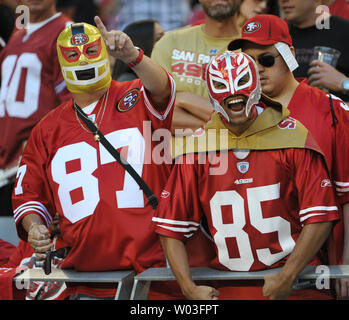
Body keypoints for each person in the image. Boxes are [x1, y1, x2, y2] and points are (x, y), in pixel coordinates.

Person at [10, 16, 178, 299]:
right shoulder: (47, 128)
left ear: (107, 56)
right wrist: (35, 227)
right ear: (61, 63)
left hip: (155, 272)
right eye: (73, 55)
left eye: (90, 51)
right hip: (85, 278)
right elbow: (28, 195)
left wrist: (133, 56)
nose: (83, 61)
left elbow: (163, 88)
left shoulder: (136, 94)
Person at [152, 51, 339, 300]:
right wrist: (188, 287)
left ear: (256, 86)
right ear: (210, 92)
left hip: (298, 284)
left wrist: (288, 276)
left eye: (240, 85)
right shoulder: (197, 149)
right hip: (228, 286)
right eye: (222, 88)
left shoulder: (293, 137)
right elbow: (170, 227)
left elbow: (320, 215)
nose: (233, 96)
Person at [228, 14, 349, 299]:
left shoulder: (331, 111)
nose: (257, 69)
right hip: (254, 274)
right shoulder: (235, 115)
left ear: (290, 55)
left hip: (318, 272)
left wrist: (345, 264)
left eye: (267, 59)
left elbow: (347, 196)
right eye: (248, 62)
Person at [0, 0, 72, 217]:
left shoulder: (66, 32)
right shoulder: (18, 30)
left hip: (36, 162)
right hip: (7, 161)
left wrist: (43, 149)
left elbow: (75, 103)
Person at [151, 0, 242, 134]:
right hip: (172, 153)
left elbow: (242, 117)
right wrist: (222, 128)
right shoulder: (170, 41)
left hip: (230, 152)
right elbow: (155, 112)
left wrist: (183, 99)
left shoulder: (251, 47)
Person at [279, 0, 349, 102]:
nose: (284, 1)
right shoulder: (279, 36)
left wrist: (343, 83)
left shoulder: (345, 32)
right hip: (288, 114)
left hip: (336, 115)